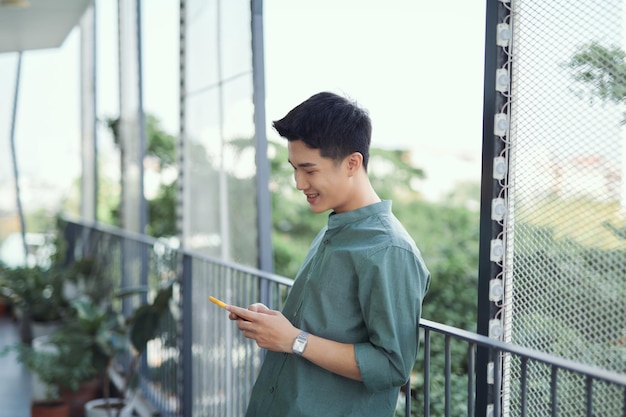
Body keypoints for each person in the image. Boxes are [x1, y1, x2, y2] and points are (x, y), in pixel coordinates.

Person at [227, 91, 430, 417]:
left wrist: (294, 339)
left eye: (309, 170)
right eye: (294, 168)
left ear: (352, 163)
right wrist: (276, 327)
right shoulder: (333, 229)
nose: (298, 183)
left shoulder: (389, 250)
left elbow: (392, 366)